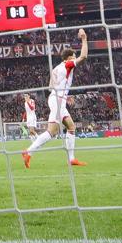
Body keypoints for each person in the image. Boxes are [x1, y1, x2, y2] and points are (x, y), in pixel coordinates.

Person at [22, 29, 88, 167]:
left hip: (56, 98)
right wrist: (84, 39)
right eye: (73, 56)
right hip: (58, 101)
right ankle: (28, 151)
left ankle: (72, 159)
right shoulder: (68, 64)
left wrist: (64, 95)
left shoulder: (56, 68)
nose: (75, 58)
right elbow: (84, 56)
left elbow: (51, 86)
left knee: (71, 126)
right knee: (52, 131)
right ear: (69, 58)